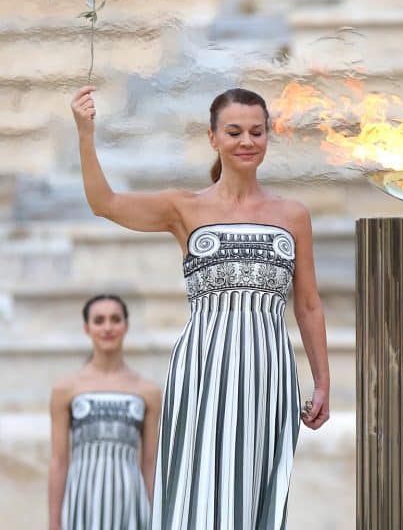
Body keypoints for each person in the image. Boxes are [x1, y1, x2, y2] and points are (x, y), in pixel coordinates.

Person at [70, 85, 331, 528]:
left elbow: (307, 304)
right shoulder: (184, 207)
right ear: (212, 138)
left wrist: (323, 381)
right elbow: (104, 204)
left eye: (256, 132)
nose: (246, 142)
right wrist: (85, 132)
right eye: (233, 132)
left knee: (255, 498)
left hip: (269, 375)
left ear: (268, 136)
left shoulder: (293, 215)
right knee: (199, 494)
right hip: (203, 371)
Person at [48, 295, 161, 530]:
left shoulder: (147, 391)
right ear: (87, 328)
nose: (107, 327)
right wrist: (54, 522)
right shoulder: (66, 389)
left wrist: (159, 517)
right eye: (99, 320)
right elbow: (59, 461)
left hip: (131, 504)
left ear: (126, 326)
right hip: (82, 503)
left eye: (115, 319)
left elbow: (149, 463)